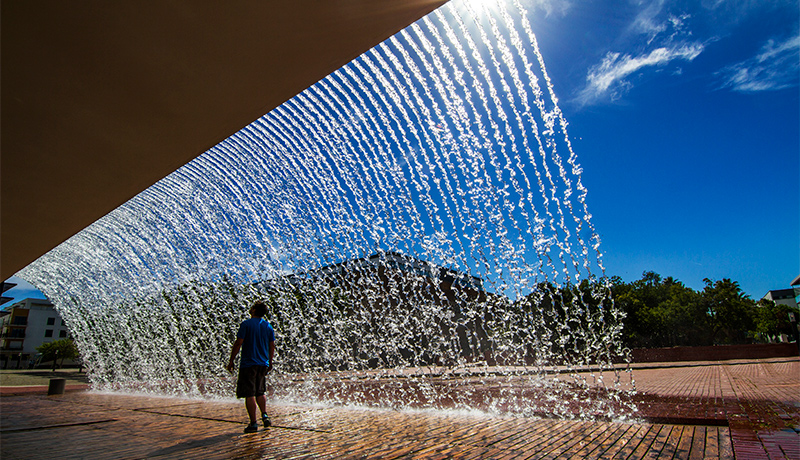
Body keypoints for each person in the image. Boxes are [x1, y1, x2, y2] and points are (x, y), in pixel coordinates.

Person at [226, 301, 276, 433]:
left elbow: (238, 343)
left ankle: (253, 423)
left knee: (249, 394)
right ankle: (265, 415)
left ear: (253, 310)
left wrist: (231, 360)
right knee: (260, 391)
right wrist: (269, 362)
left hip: (249, 363)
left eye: (252, 307)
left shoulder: (246, 324)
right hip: (263, 363)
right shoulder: (268, 326)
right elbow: (272, 346)